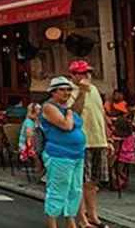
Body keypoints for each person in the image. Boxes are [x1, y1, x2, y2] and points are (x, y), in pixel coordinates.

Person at [68, 60, 110, 228]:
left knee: (93, 182)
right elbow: (74, 114)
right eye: (82, 73)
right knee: (80, 182)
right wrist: (82, 92)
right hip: (82, 142)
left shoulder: (94, 89)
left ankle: (93, 215)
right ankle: (82, 219)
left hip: (98, 140)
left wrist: (107, 138)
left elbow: (100, 114)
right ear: (72, 76)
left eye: (88, 72)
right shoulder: (70, 91)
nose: (87, 76)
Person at [41, 77, 86, 228]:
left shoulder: (67, 109)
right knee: (58, 189)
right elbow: (66, 126)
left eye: (68, 90)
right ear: (53, 92)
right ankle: (52, 224)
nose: (66, 93)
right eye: (62, 90)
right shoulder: (49, 107)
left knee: (75, 189)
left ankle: (70, 221)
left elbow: (77, 113)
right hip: (59, 154)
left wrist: (82, 94)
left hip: (76, 154)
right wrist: (69, 113)